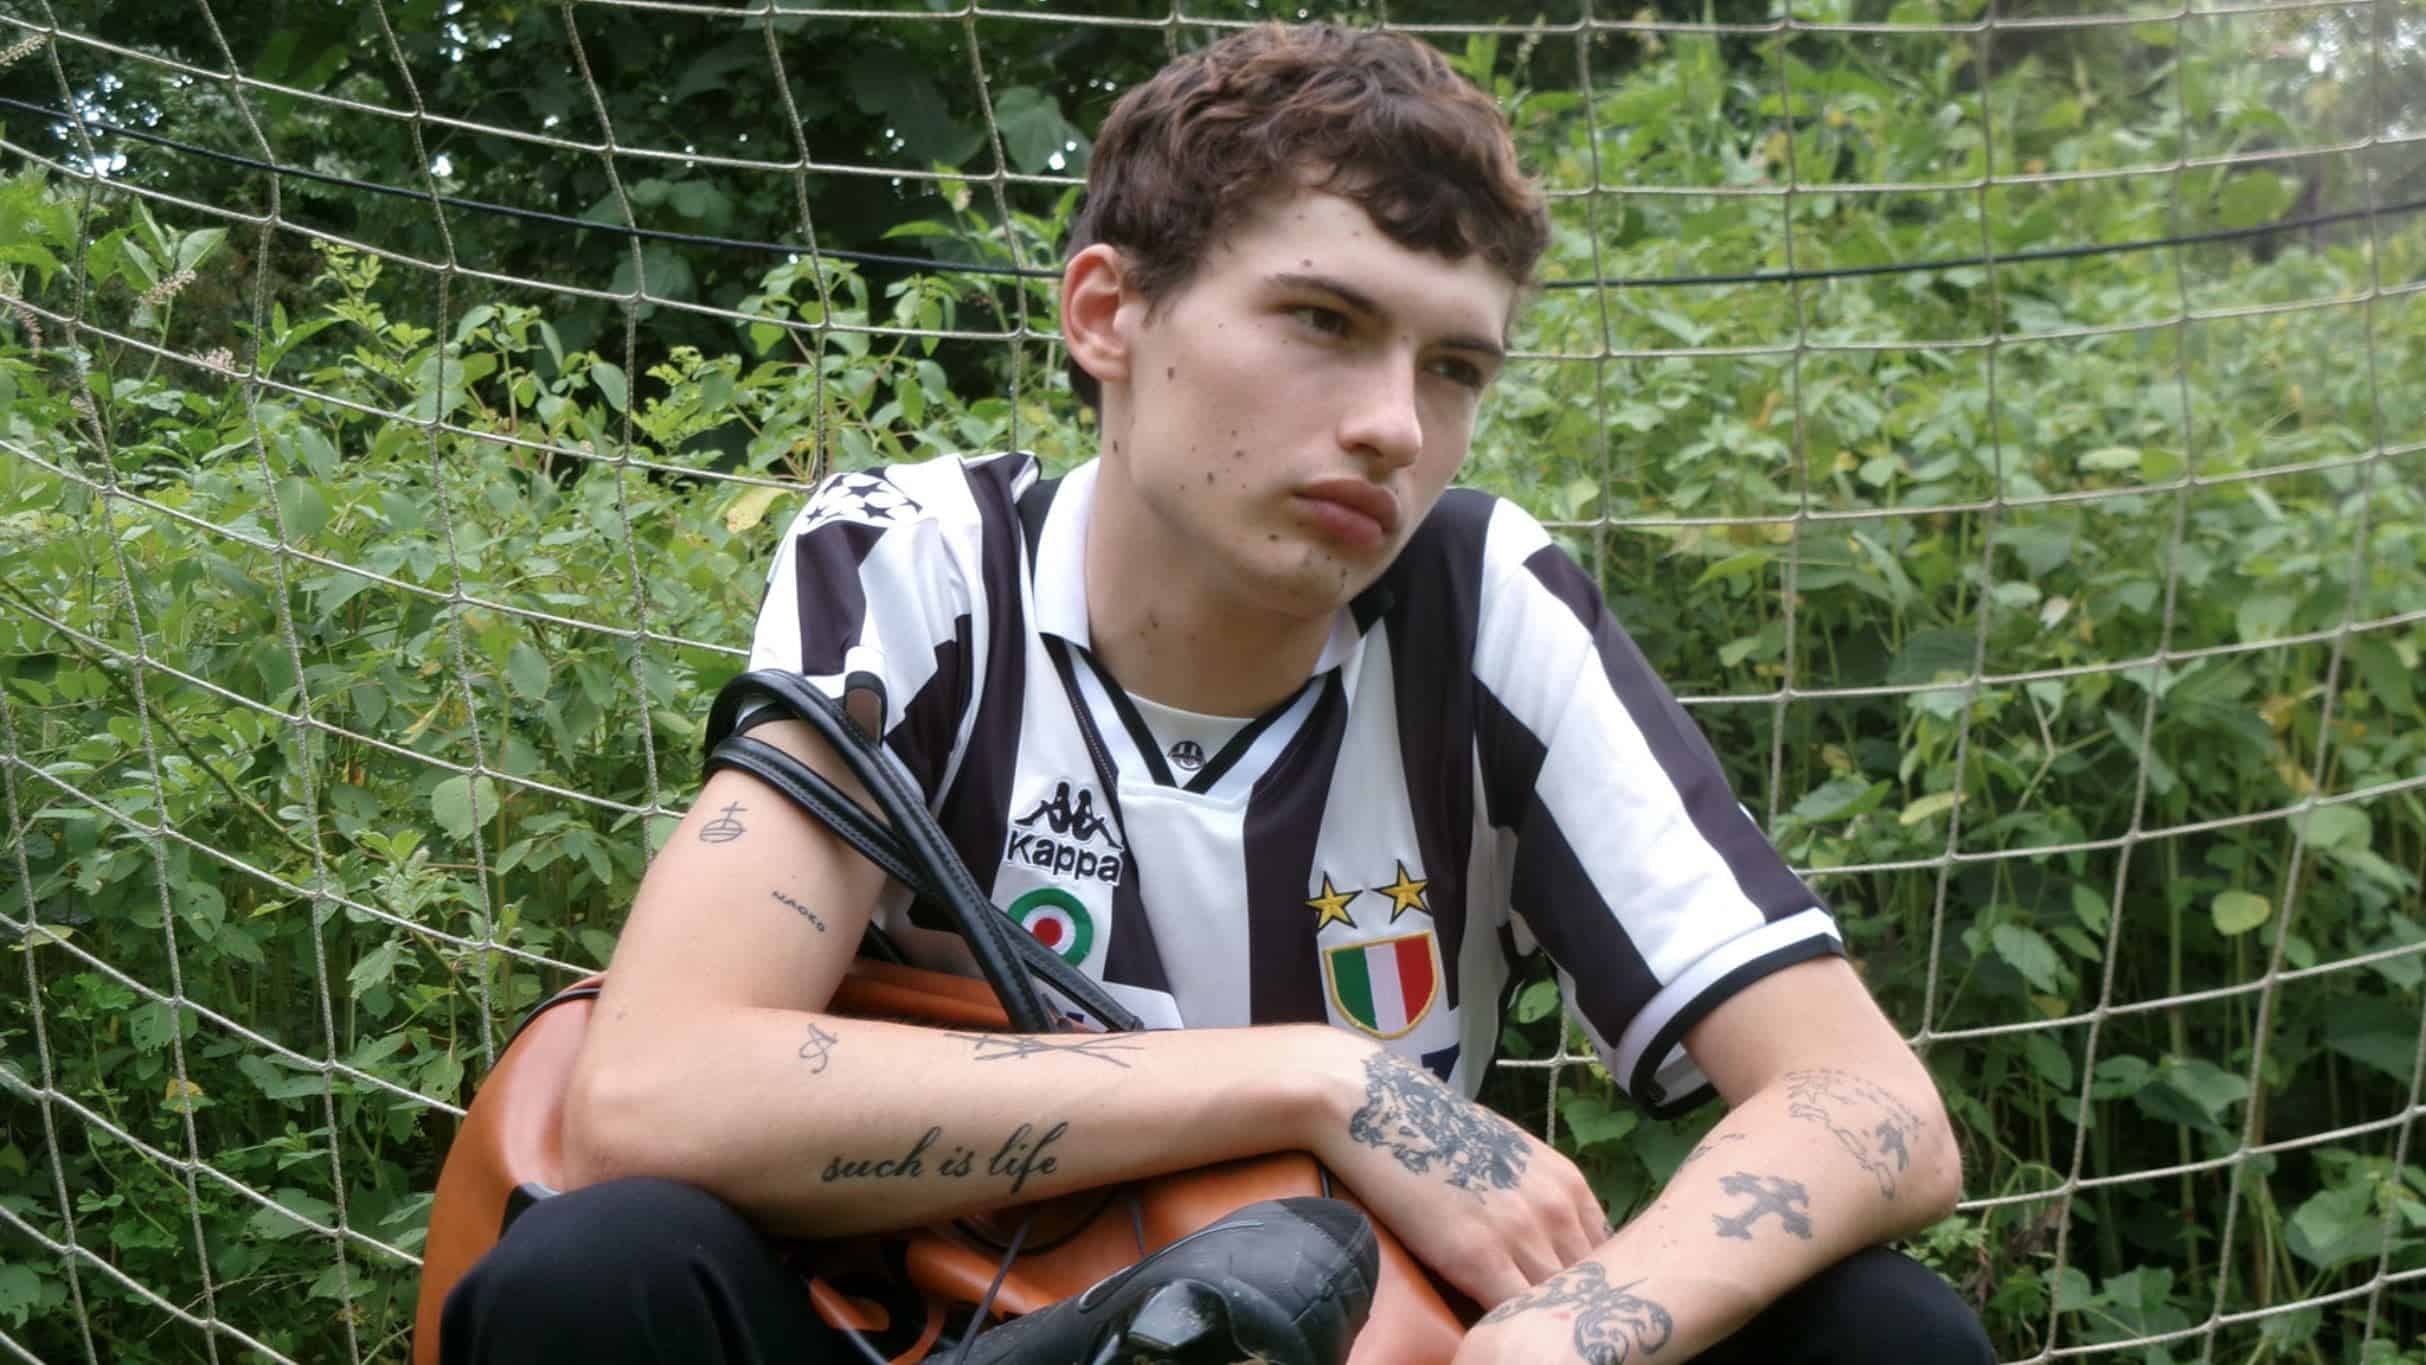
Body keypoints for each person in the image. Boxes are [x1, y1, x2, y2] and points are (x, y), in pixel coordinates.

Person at [442, 22, 1995, 1365]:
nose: (1394, 424)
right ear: (1104, 315)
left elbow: (1868, 1102)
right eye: (1324, 321)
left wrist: (1564, 1332)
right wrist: (1316, 1078)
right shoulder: (923, 568)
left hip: (1358, 1337)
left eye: (1453, 368)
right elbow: (651, 1091)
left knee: (1878, 1330)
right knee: (603, 1268)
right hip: (963, 1327)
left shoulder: (1478, 607)